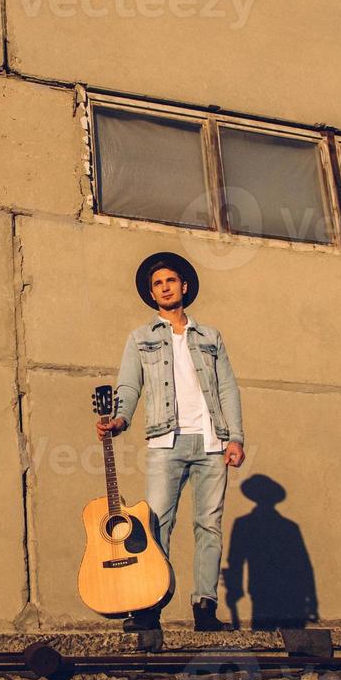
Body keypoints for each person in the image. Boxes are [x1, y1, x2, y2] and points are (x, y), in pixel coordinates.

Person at [97, 251, 245, 632]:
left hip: (212, 441)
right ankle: (149, 608)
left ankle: (205, 608)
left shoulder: (210, 336)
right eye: (157, 283)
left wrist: (236, 437)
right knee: (156, 523)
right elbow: (129, 384)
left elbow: (228, 388)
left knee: (209, 525)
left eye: (169, 281)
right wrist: (121, 418)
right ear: (152, 293)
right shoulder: (141, 338)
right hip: (167, 440)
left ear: (184, 286)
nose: (164, 287)